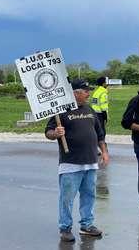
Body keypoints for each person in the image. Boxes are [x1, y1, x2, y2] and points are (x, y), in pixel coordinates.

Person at [45, 79, 110, 242]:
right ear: (74, 93)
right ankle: (65, 228)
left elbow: (99, 134)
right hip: (70, 163)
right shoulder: (61, 111)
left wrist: (104, 152)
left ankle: (87, 225)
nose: (88, 93)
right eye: (85, 91)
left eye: (88, 90)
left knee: (89, 195)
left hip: (90, 161)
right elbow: (48, 132)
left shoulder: (89, 109)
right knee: (67, 198)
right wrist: (56, 133)